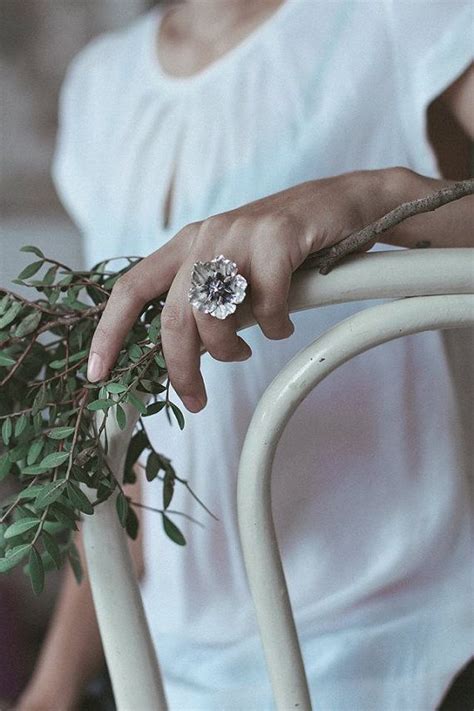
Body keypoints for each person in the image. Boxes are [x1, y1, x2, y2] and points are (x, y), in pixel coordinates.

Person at [18, 1, 473, 709]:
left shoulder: (397, 12)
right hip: (163, 676)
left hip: (398, 652)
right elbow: (136, 443)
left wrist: (376, 195)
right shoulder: (98, 88)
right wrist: (52, 686)